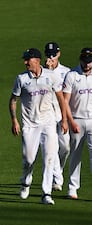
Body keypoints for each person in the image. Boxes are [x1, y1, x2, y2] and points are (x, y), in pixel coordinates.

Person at [9, 48, 68, 205]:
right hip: (29, 124)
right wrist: (14, 120)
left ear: (37, 60)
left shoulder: (51, 76)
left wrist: (64, 120)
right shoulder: (21, 79)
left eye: (28, 59)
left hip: (48, 123)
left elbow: (61, 98)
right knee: (29, 158)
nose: (25, 62)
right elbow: (13, 100)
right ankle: (26, 181)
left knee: (49, 156)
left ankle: (46, 193)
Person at [63, 47, 92, 199]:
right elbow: (65, 101)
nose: (87, 65)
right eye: (84, 61)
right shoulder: (72, 75)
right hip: (77, 120)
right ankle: (72, 188)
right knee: (75, 154)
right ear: (80, 59)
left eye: (89, 62)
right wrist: (71, 121)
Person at [44, 42, 70, 191]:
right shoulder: (40, 71)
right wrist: (48, 70)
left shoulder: (66, 72)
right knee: (52, 147)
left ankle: (58, 170)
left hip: (61, 114)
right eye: (48, 54)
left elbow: (66, 96)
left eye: (53, 54)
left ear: (59, 54)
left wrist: (67, 118)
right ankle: (56, 178)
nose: (51, 57)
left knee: (65, 147)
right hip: (46, 114)